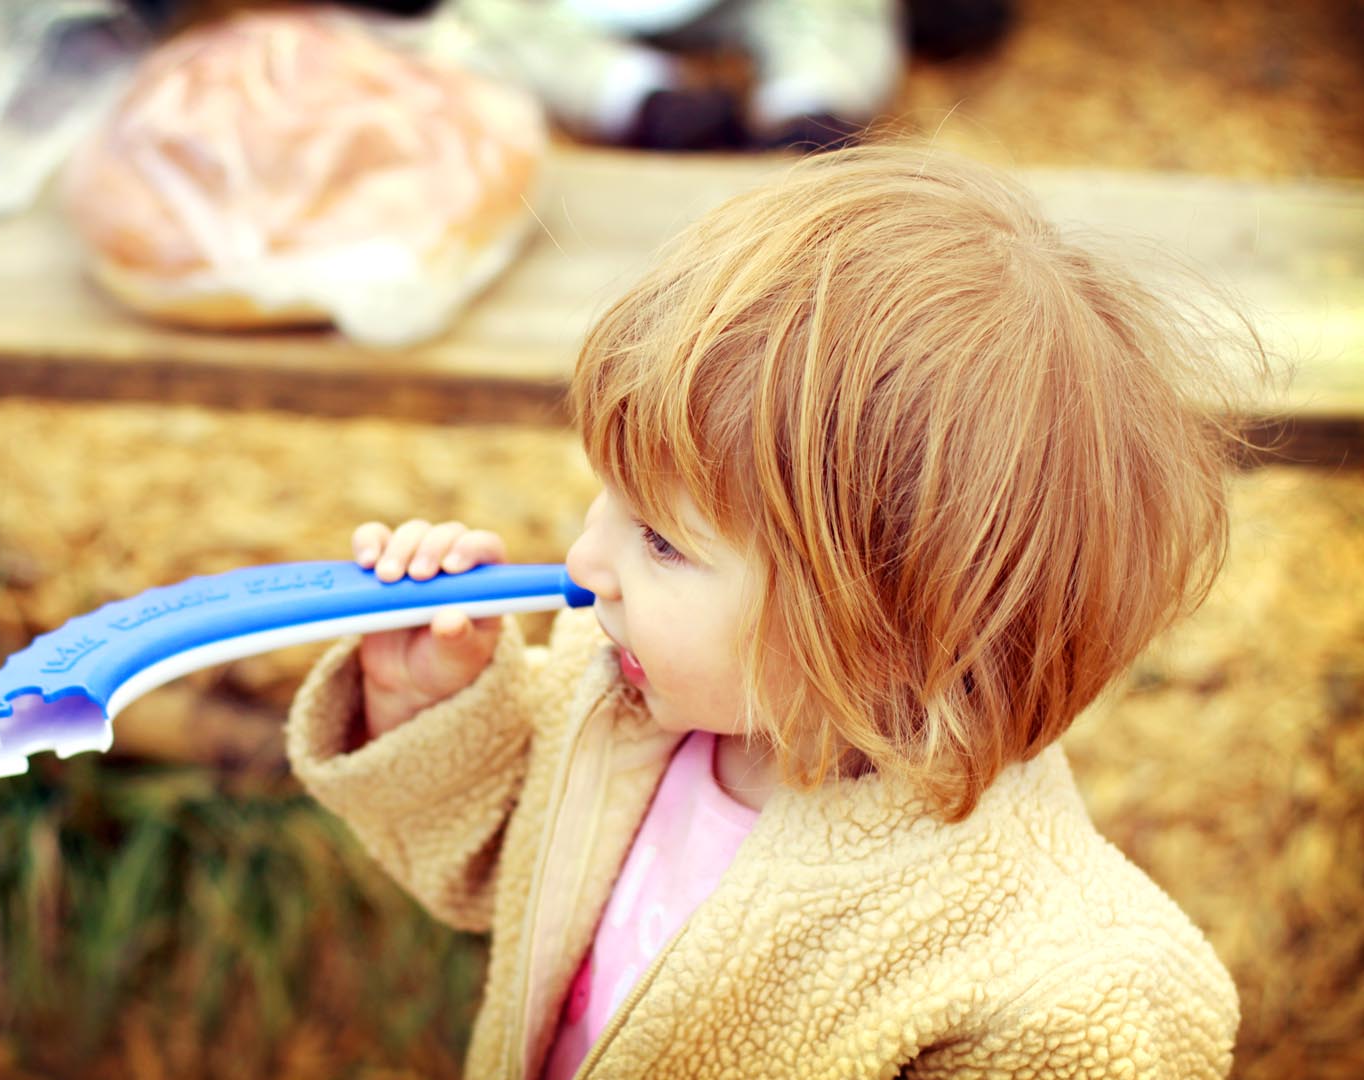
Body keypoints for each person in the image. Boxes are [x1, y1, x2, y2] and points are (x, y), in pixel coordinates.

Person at [285, 143, 1260, 1078]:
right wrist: (430, 708)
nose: (587, 562)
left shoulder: (1054, 986)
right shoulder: (634, 710)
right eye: (609, 500)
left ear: (880, 632)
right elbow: (511, 874)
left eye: (663, 542)